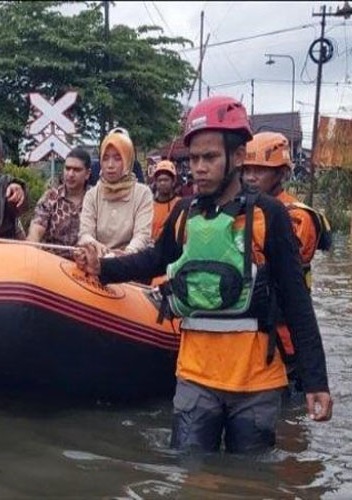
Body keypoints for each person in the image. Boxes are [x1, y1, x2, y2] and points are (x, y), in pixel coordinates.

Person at [74, 96, 332, 453]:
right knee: (192, 474)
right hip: (196, 377)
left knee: (249, 481)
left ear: (238, 156)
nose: (198, 168)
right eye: (193, 159)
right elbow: (154, 260)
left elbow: (296, 299)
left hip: (255, 383)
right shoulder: (184, 213)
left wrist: (316, 380)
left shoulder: (269, 216)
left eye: (209, 157)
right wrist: (102, 268)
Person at [241, 132, 332, 398]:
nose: (251, 177)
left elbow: (281, 266)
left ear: (280, 173)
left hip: (284, 336)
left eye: (260, 170)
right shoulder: (244, 210)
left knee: (287, 421)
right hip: (252, 331)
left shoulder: (298, 217)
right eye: (247, 170)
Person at [77, 130, 153, 257]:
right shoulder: (92, 195)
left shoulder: (143, 194)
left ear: (128, 161)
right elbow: (85, 233)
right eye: (105, 158)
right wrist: (92, 244)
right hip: (98, 262)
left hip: (131, 263)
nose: (110, 165)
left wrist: (127, 253)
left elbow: (142, 235)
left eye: (118, 158)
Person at [27, 147, 91, 257]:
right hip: (52, 263)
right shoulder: (51, 196)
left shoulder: (95, 199)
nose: (70, 174)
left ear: (87, 174)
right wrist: (33, 242)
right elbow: (36, 228)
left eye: (76, 170)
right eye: (67, 168)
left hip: (86, 266)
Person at [151, 160, 180, 241]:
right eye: (159, 180)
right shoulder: (148, 207)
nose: (162, 183)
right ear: (155, 183)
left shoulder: (181, 205)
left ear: (173, 182)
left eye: (166, 180)